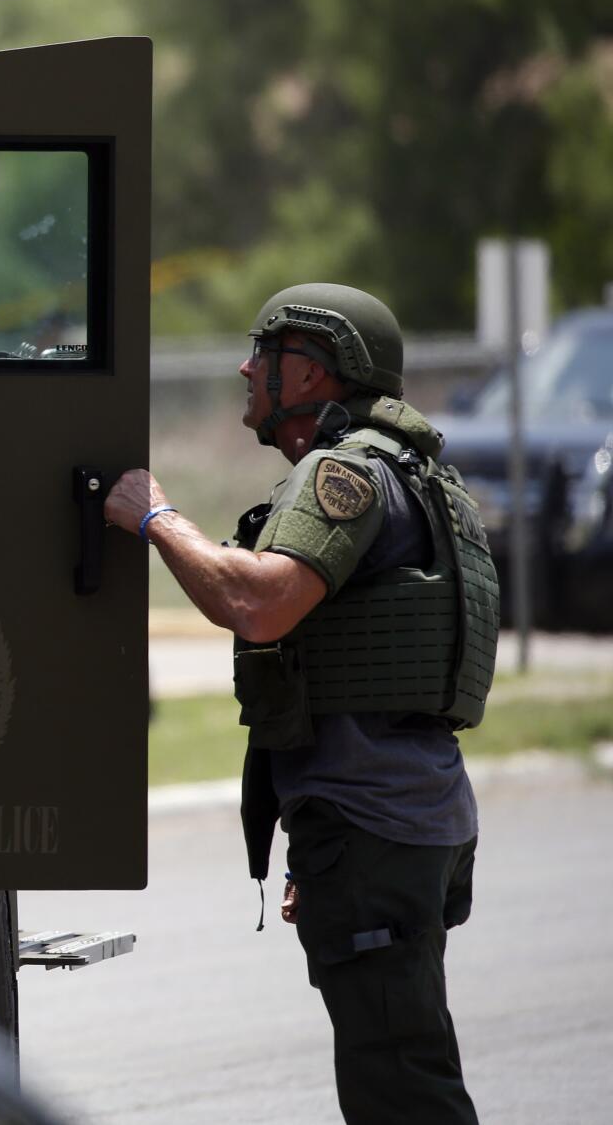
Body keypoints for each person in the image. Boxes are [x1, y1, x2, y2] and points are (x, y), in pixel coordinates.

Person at [106, 284, 496, 1124]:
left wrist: (154, 516)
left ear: (316, 373)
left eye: (266, 352)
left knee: (402, 1087)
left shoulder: (346, 471)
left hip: (376, 829)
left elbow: (261, 602)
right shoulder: (419, 474)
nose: (247, 368)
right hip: (409, 818)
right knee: (403, 1059)